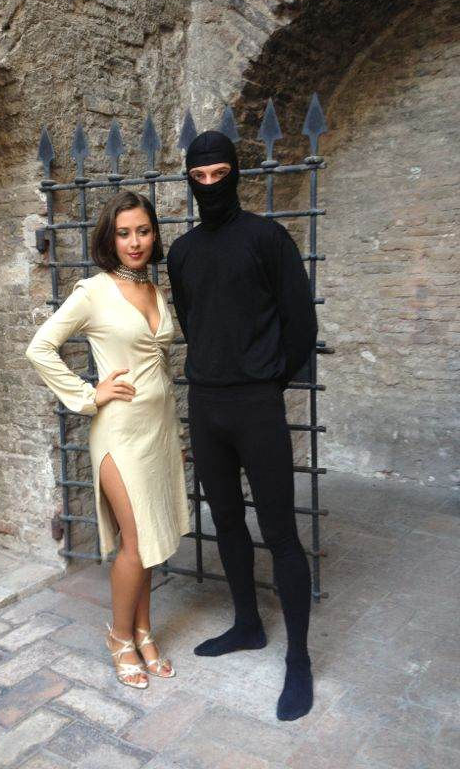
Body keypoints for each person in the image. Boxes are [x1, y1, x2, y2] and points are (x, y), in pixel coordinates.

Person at [167, 131, 317, 721]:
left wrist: (266, 381)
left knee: (280, 532)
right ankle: (248, 625)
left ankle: (299, 659)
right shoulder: (182, 252)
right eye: (199, 176)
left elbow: (300, 324)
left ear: (236, 174)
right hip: (206, 405)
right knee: (225, 519)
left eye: (219, 174)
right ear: (190, 179)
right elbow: (193, 319)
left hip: (257, 405)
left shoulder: (267, 239)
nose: (210, 184)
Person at [26, 190, 190, 689]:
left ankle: (143, 633)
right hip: (119, 432)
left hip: (158, 431)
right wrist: (87, 395)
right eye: (123, 233)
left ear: (154, 234)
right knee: (135, 543)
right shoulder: (94, 292)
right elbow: (40, 347)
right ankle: (119, 637)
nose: (134, 242)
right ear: (109, 238)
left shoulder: (155, 290)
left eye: (142, 231)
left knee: (149, 540)